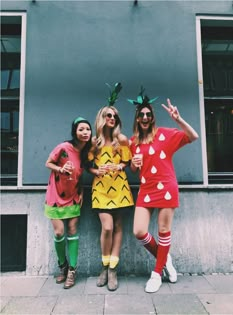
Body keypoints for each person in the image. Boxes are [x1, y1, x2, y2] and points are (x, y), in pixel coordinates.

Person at [128, 89, 199, 293]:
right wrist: (133, 163)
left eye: (148, 114)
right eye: (141, 115)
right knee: (139, 231)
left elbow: (193, 136)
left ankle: (157, 274)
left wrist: (178, 119)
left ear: (152, 118)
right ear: (137, 118)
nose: (145, 117)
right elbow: (134, 168)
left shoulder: (165, 135)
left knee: (163, 230)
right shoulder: (133, 142)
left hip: (166, 187)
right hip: (146, 189)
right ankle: (164, 257)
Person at [88, 83, 134, 291]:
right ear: (101, 118)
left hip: (119, 187)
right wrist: (95, 171)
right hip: (100, 187)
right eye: (108, 115)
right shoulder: (94, 141)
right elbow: (87, 164)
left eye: (114, 116)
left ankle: (113, 268)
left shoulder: (121, 139)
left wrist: (119, 164)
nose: (112, 119)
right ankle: (104, 265)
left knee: (118, 227)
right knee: (106, 227)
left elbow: (128, 163)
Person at [44, 117, 92, 289]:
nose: (85, 132)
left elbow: (81, 175)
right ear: (75, 132)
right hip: (55, 195)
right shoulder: (63, 147)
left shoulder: (86, 152)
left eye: (87, 129)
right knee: (59, 233)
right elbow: (48, 163)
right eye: (81, 129)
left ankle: (72, 270)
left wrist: (82, 192)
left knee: (72, 230)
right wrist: (61, 169)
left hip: (73, 196)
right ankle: (62, 266)